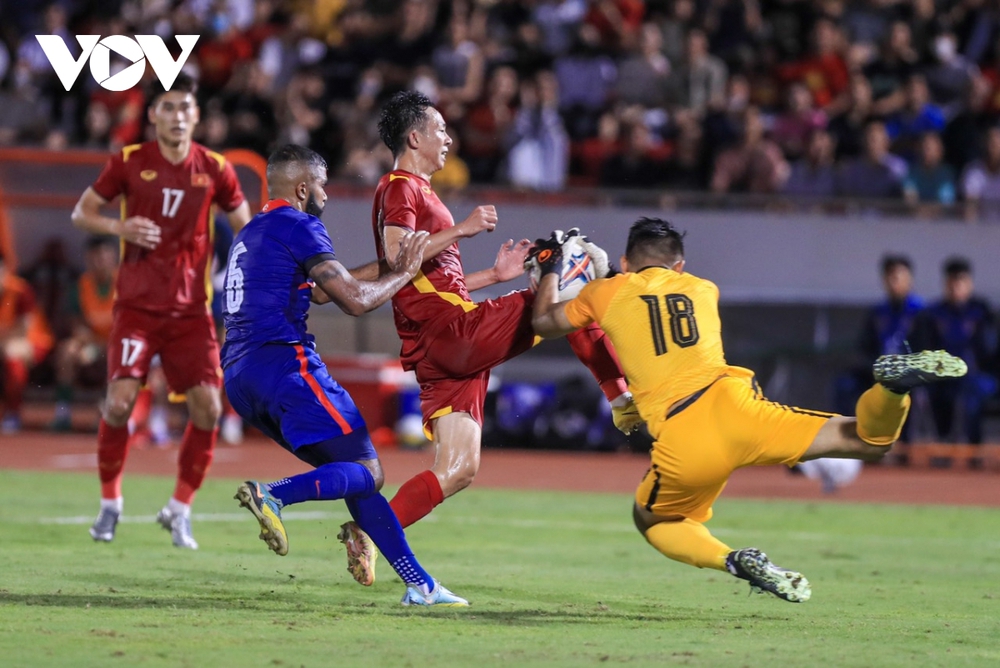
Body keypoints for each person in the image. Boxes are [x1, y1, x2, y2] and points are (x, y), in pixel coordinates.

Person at [530, 217, 967, 602]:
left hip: (685, 435)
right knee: (869, 440)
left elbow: (545, 321)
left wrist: (553, 267)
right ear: (679, 265)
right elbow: (652, 306)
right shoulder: (703, 288)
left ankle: (734, 560)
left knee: (653, 520)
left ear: (625, 262)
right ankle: (891, 388)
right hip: (739, 405)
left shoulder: (605, 293)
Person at [339, 90, 638, 585]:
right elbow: (397, 259)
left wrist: (494, 276)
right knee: (567, 266)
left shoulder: (421, 193)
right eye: (439, 129)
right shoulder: (400, 188)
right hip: (450, 332)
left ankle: (368, 532)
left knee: (458, 468)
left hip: (444, 340)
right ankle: (621, 395)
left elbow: (430, 279)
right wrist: (463, 229)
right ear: (415, 137)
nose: (448, 137)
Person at [225, 144, 465, 606]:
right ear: (301, 188)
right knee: (368, 470)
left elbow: (319, 291)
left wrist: (399, 262)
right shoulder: (300, 225)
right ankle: (271, 495)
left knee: (352, 470)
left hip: (240, 376)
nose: (325, 195)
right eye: (321, 185)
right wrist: (408, 272)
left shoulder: (253, 231)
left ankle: (422, 586)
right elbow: (354, 301)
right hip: (284, 366)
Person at [71, 73, 253, 549]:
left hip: (191, 311)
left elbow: (246, 227)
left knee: (209, 408)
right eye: (167, 107)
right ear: (152, 115)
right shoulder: (130, 162)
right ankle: (110, 503)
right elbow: (81, 212)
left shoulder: (215, 169)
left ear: (197, 116)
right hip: (136, 307)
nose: (177, 116)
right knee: (119, 403)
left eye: (184, 107)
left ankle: (179, 509)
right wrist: (120, 226)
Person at [917, 258, 997, 445]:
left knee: (973, 394)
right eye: (951, 281)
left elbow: (991, 350)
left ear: (969, 284)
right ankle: (943, 443)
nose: (956, 287)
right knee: (932, 388)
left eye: (960, 281)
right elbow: (927, 348)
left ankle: (974, 449)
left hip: (978, 375)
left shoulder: (982, 312)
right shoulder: (935, 313)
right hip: (946, 375)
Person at [50, 235, 118, 432]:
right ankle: (62, 413)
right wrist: (90, 346)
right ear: (88, 258)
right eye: (95, 256)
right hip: (92, 344)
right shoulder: (81, 285)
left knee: (115, 356)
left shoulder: (124, 283)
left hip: (117, 345)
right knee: (67, 351)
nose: (100, 261)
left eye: (105, 255)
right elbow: (76, 324)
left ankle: (106, 414)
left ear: (113, 257)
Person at [1, 253, 54, 433]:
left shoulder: (20, 290)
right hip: (5, 340)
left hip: (33, 341)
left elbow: (23, 330)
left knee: (12, 353)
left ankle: (13, 412)